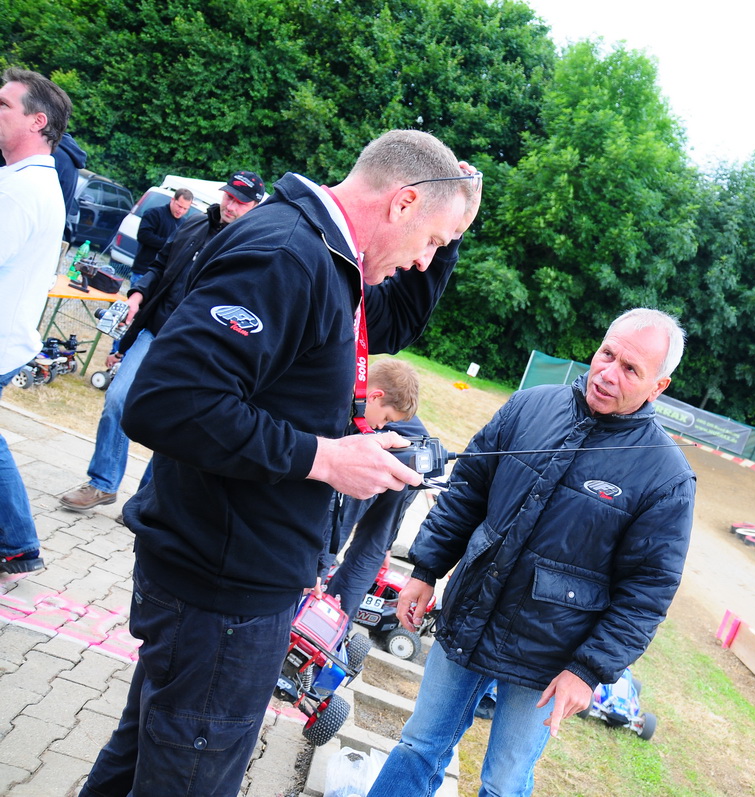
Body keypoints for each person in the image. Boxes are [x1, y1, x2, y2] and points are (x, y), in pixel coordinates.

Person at [80, 129, 480, 797]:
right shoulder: (289, 255)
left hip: (223, 582)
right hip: (220, 595)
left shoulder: (331, 257)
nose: (423, 261)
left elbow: (394, 321)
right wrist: (323, 457)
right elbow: (167, 402)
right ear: (403, 202)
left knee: (141, 758)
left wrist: (455, 227)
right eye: (432, 241)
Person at [367, 308, 695, 797]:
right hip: (470, 615)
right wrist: (426, 569)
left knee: (503, 783)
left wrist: (586, 671)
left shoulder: (667, 477)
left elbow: (647, 594)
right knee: (419, 746)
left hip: (549, 657)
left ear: (658, 387)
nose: (609, 373)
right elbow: (467, 492)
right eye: (608, 354)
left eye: (631, 369)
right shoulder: (530, 406)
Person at [58, 171, 264, 512]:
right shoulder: (194, 223)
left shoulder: (253, 245)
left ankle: (146, 501)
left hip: (198, 348)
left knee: (173, 424)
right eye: (229, 196)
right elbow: (159, 266)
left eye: (240, 202)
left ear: (254, 206)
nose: (231, 206)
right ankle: (102, 483)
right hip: (155, 330)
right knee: (117, 399)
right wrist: (137, 294)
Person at [0, 68, 72, 575]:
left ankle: (20, 545)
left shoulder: (23, 189)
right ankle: (19, 545)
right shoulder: (27, 180)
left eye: (4, 104)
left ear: (37, 121)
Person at [320, 358, 427, 619]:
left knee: (334, 531)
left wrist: (312, 570)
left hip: (385, 460)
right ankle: (336, 623)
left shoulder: (349, 397)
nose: (381, 425)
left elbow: (334, 515)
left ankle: (306, 599)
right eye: (386, 418)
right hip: (414, 462)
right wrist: (385, 544)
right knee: (370, 553)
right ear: (374, 396)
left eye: (389, 420)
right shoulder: (352, 397)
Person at [129, 186, 193, 284]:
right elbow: (143, 235)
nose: (181, 211)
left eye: (185, 209)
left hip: (162, 276)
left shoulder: (184, 223)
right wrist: (170, 245)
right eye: (179, 206)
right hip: (144, 271)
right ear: (173, 200)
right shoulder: (154, 213)